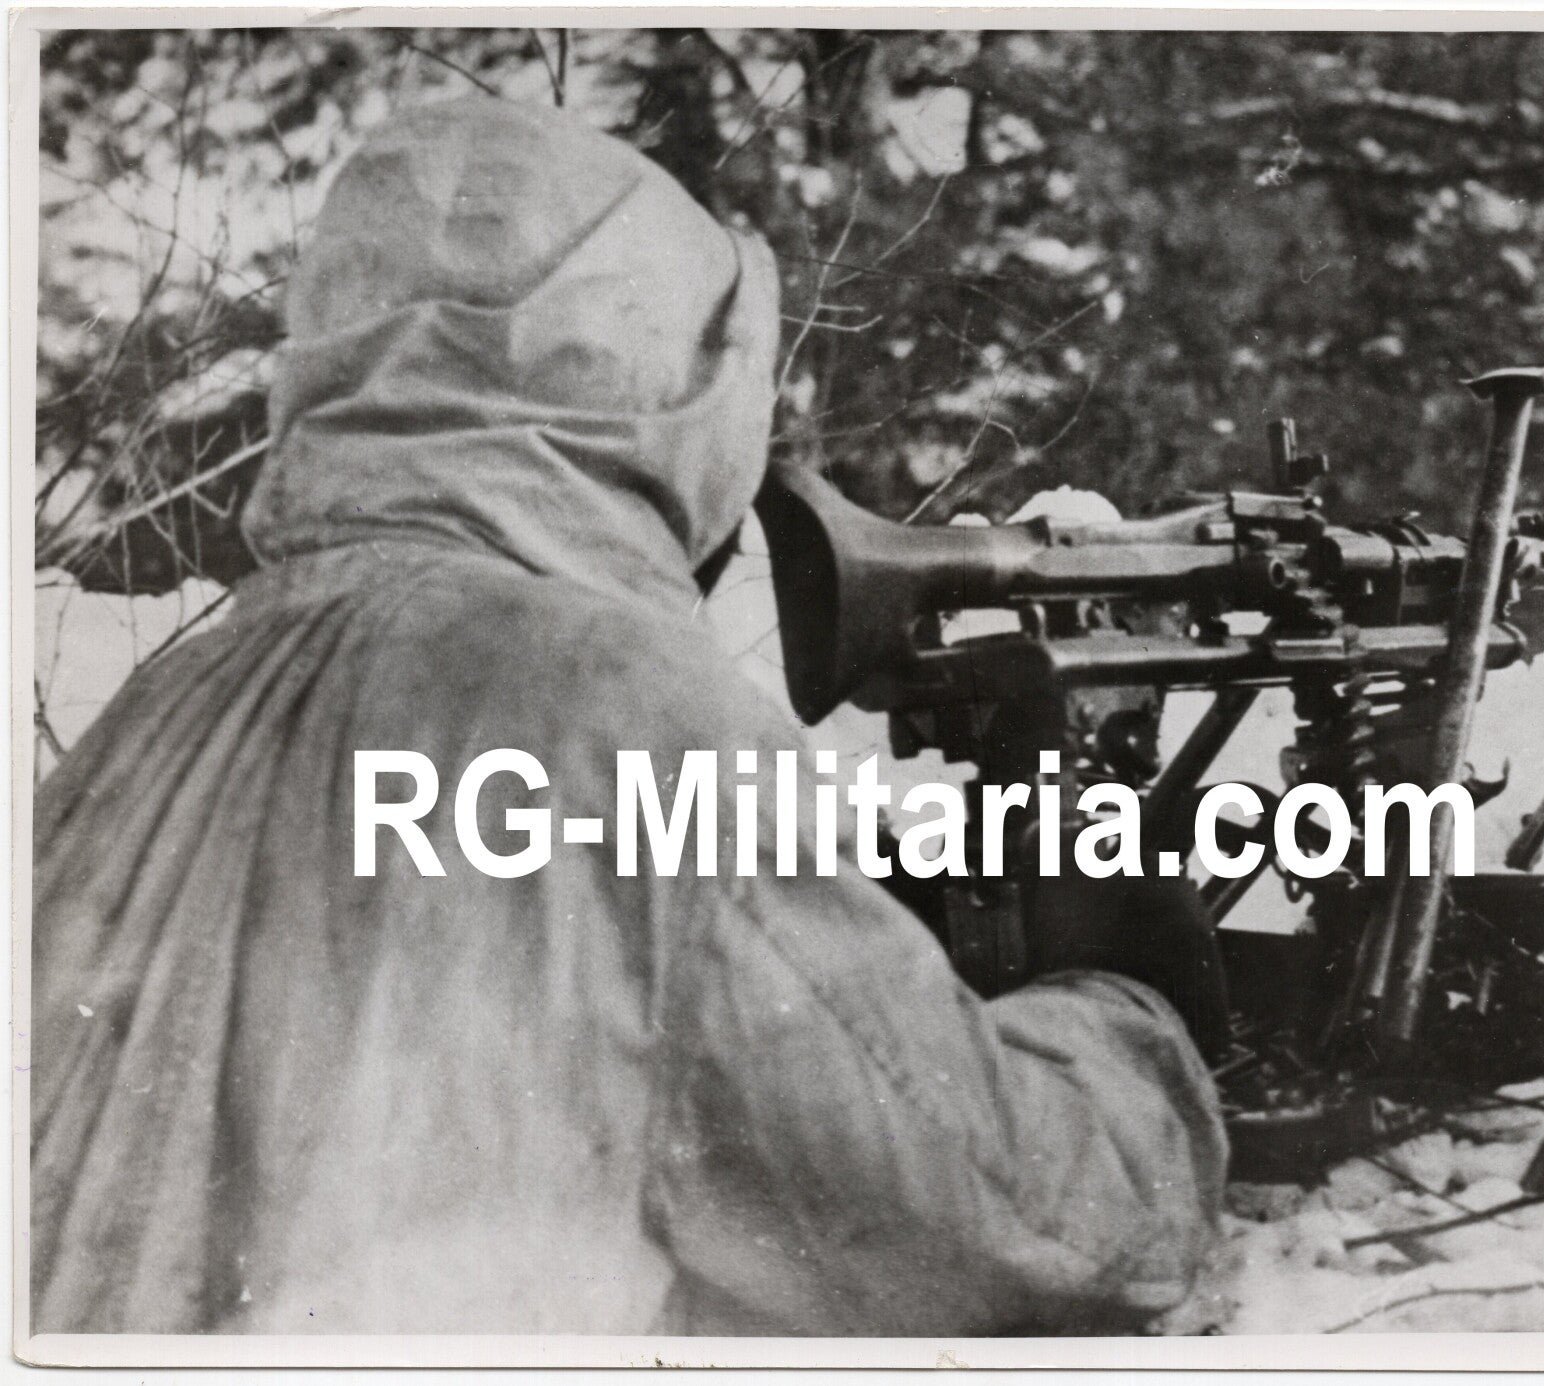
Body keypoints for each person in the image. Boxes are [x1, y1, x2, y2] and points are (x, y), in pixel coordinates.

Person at [31, 98, 1227, 1337]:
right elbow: (1005, 1217)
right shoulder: (607, 702)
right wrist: (1129, 1005)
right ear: (655, 382)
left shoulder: (159, 708)